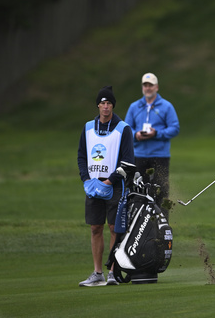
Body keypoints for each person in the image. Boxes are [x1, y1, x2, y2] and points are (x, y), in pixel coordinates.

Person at [77, 85, 135, 287]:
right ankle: (97, 272)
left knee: (114, 228)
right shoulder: (87, 128)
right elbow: (82, 156)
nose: (106, 107)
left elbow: (128, 161)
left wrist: (109, 180)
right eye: (102, 103)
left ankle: (113, 271)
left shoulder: (123, 129)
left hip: (115, 184)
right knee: (95, 227)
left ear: (113, 106)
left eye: (109, 103)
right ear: (98, 106)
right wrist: (86, 179)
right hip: (93, 185)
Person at [125, 73, 180, 217]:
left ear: (157, 87)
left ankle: (161, 229)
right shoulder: (134, 107)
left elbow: (174, 128)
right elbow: (126, 129)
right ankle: (140, 228)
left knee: (160, 191)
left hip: (160, 156)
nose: (148, 88)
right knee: (138, 191)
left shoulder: (166, 106)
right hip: (139, 155)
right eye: (145, 85)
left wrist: (157, 134)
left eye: (150, 85)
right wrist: (136, 135)